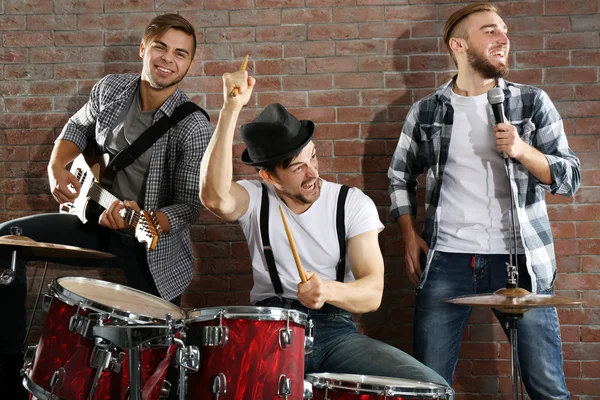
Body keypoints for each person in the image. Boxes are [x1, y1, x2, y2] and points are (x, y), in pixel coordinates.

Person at [0, 13, 212, 399]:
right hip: (92, 217)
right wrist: (55, 168)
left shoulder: (193, 125)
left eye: (180, 53)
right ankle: (7, 366)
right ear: (143, 49)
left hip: (148, 241)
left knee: (160, 348)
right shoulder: (111, 88)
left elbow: (188, 207)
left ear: (190, 64)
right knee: (5, 239)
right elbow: (77, 128)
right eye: (161, 47)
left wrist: (148, 221)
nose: (168, 59)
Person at [198, 70, 449, 389]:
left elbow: (372, 292)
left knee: (432, 388)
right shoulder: (255, 197)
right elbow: (213, 196)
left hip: (334, 332)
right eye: (298, 167)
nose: (313, 172)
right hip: (271, 331)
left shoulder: (351, 204)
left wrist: (328, 290)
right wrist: (230, 108)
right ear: (270, 177)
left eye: (313, 157)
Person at [388, 2, 580, 398]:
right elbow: (399, 175)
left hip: (520, 261)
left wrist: (524, 151)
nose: (504, 38)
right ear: (459, 45)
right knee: (429, 385)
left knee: (546, 386)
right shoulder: (426, 111)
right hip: (447, 259)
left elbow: (570, 177)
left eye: (504, 31)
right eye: (490, 30)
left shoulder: (531, 103)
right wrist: (409, 235)